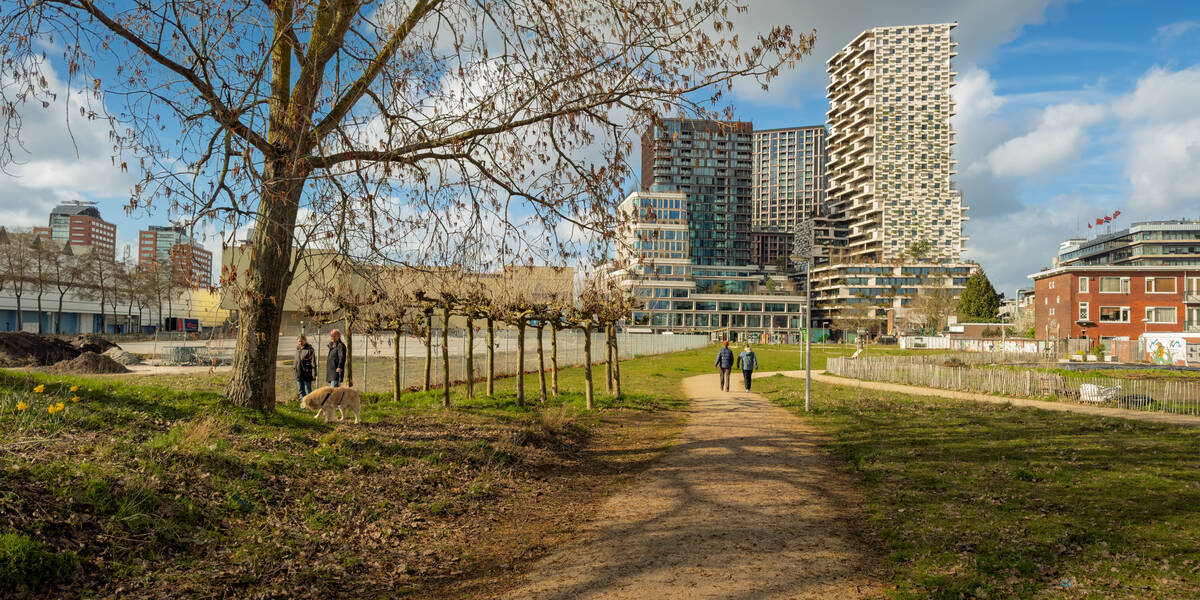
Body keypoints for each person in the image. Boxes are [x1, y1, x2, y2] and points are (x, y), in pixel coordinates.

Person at [294, 335, 316, 402]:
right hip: (298, 373)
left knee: (308, 390)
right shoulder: (298, 349)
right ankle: (303, 405)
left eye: (301, 341)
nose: (300, 343)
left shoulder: (310, 350)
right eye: (299, 341)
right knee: (301, 390)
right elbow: (296, 362)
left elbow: (313, 363)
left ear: (305, 341)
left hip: (307, 373)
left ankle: (310, 404)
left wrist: (314, 373)